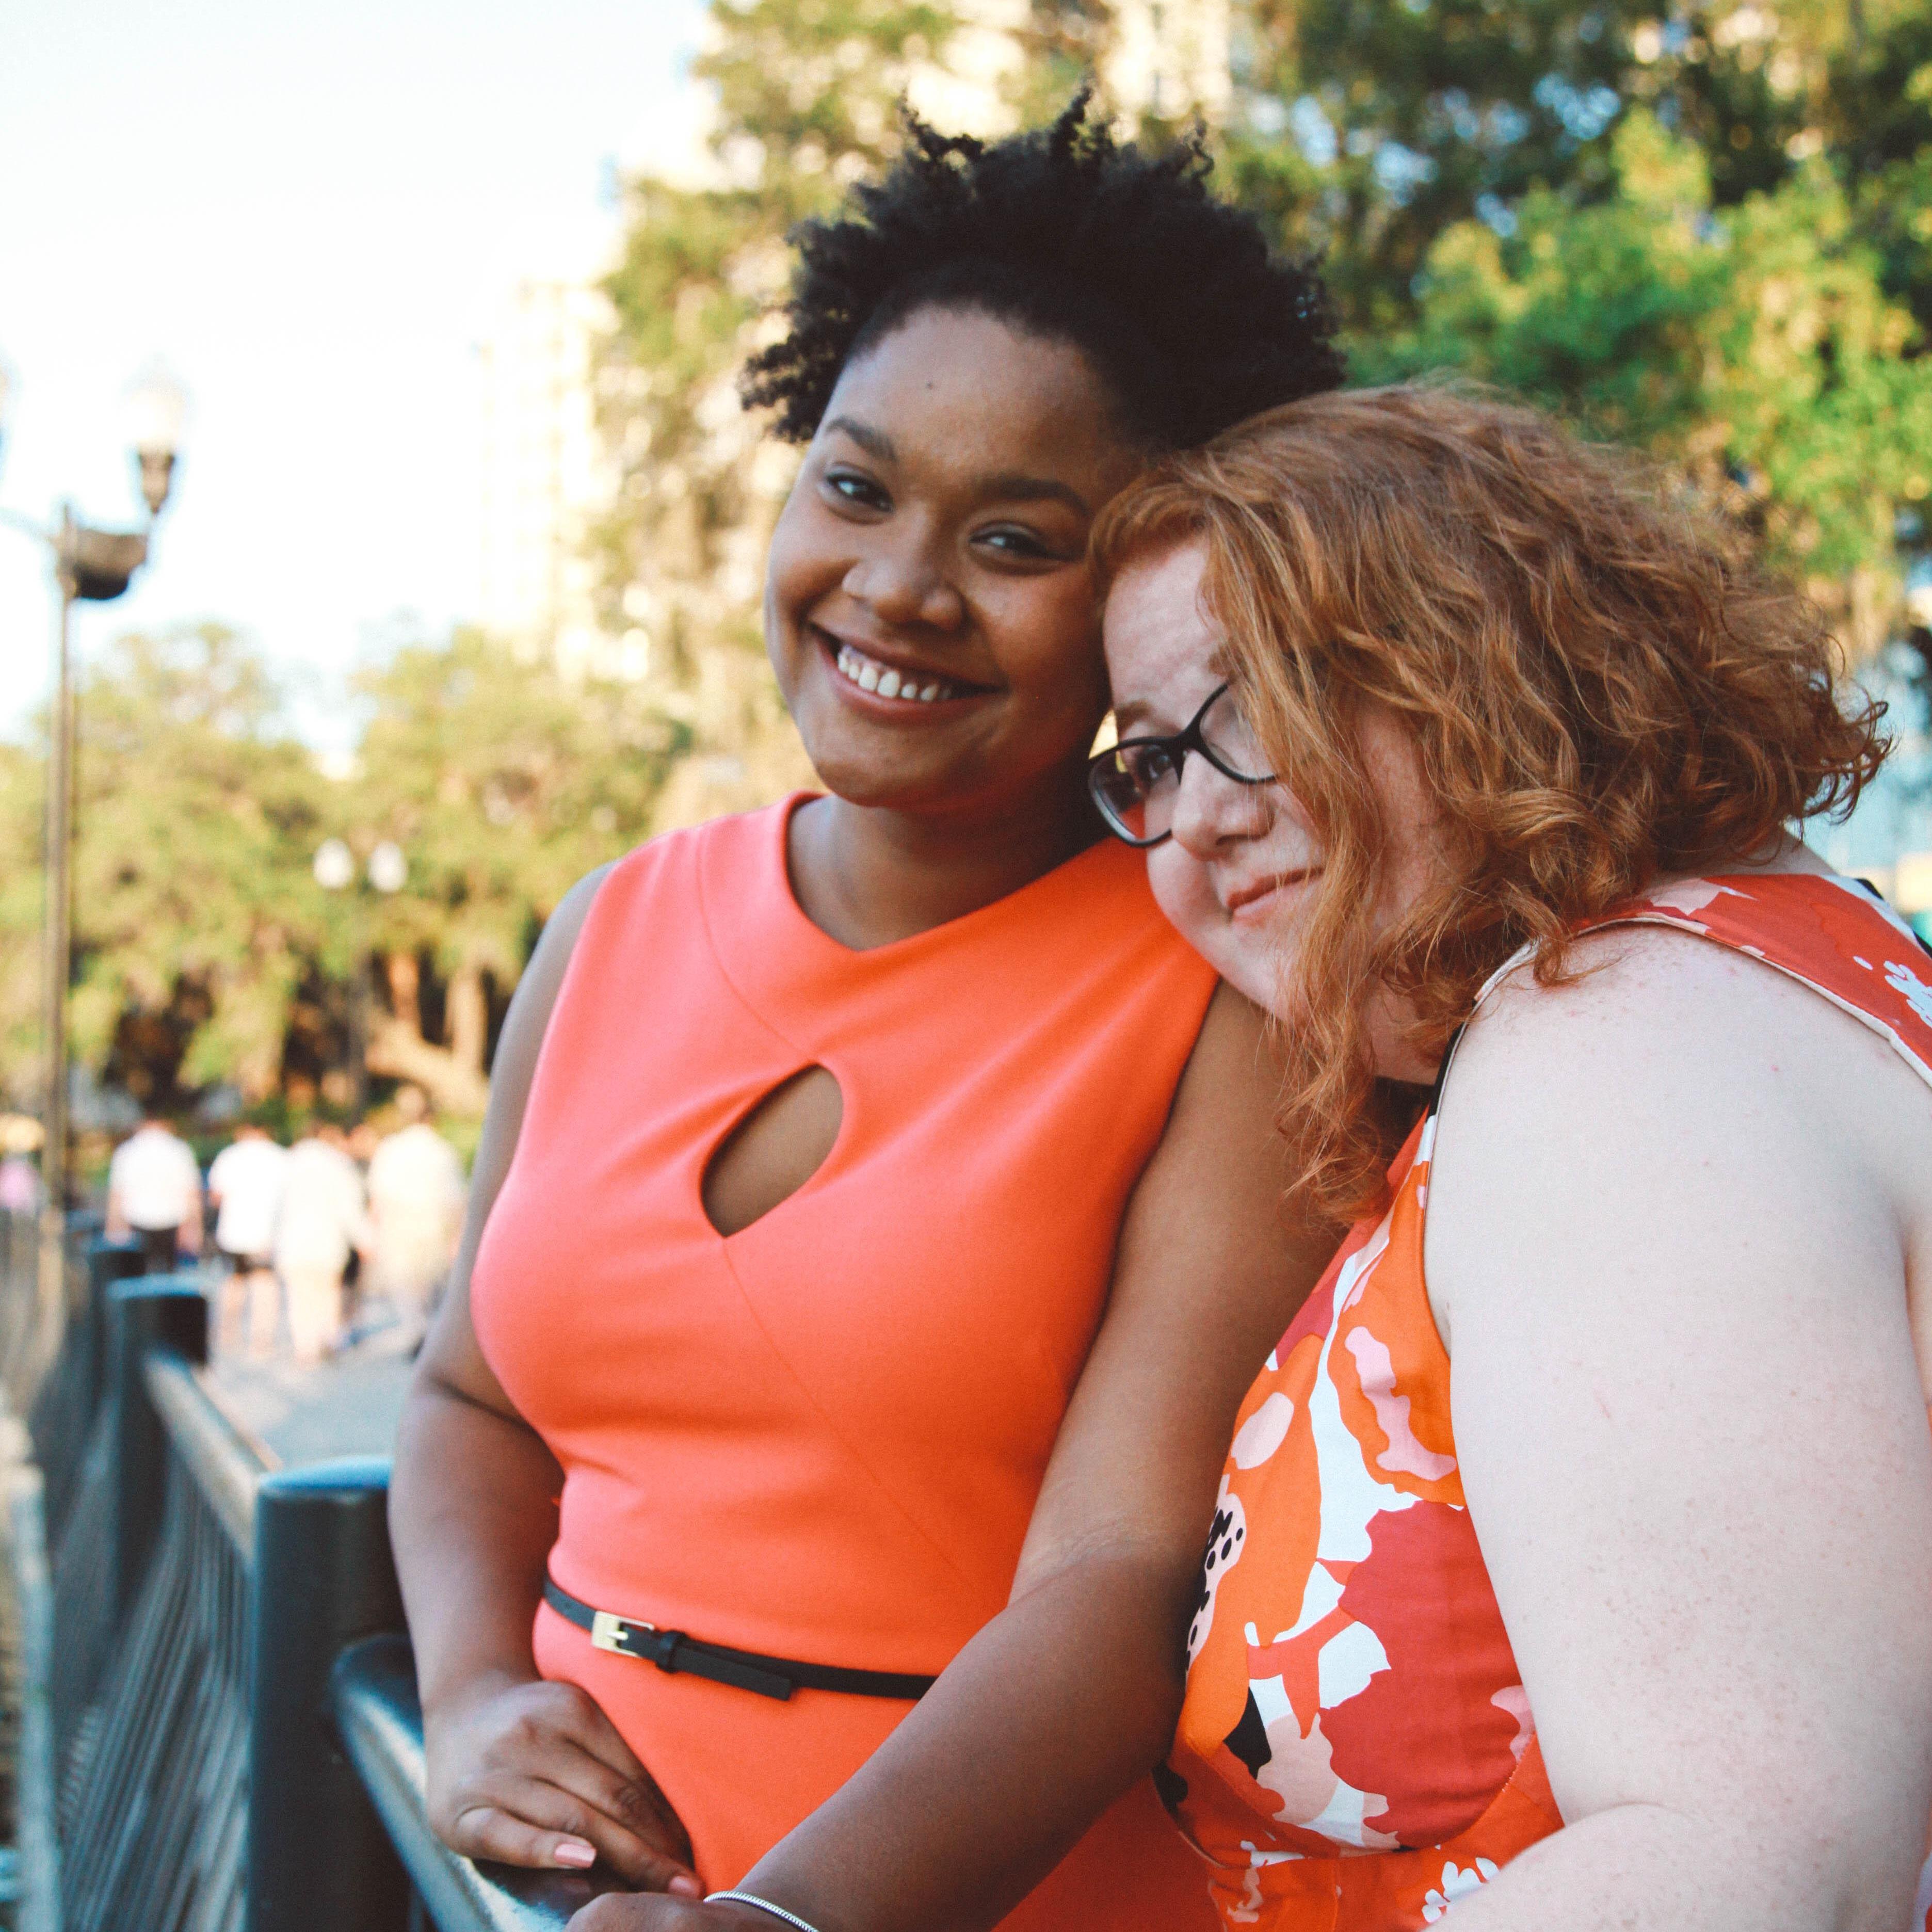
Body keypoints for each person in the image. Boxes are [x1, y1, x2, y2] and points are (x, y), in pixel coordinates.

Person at [586, 387, 1932, 1932]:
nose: (1200, 823)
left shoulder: (1619, 1054)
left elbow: (1748, 1866)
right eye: (1150, 763)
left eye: (1254, 709)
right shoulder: (1745, 977)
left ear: (1477, 655)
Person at [390, 98, 1348, 1931]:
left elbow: (1119, 1578)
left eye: (1014, 536)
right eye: (853, 483)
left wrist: (786, 1919)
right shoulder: (606, 925)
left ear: (1145, 594)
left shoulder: (1224, 978)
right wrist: (467, 1702)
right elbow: (460, 1397)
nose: (897, 585)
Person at [364, 1088, 465, 1343]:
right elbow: (456, 1199)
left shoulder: (390, 1148)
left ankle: (416, 1329)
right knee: (431, 1282)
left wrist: (372, 1233)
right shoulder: (443, 1151)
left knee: (404, 1282)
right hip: (434, 1224)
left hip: (399, 1224)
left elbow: (378, 1196)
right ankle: (426, 1329)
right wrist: (457, 1236)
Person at [272, 1122, 368, 1365]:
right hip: (328, 1240)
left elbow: (273, 1206)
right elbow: (350, 1209)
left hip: (293, 1240)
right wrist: (365, 1241)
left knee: (299, 1296)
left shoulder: (287, 1163)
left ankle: (305, 1346)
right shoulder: (338, 1165)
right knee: (328, 1293)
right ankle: (328, 1338)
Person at [207, 1120, 289, 1357]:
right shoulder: (281, 1157)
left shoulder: (229, 1157)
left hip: (234, 1232)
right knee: (265, 1284)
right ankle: (262, 1339)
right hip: (268, 1233)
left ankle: (227, 1333)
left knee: (234, 1281)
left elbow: (216, 1197)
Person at [105, 1112, 203, 1274]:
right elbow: (191, 1193)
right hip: (172, 1220)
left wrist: (114, 1229)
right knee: (171, 1277)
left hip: (137, 1219)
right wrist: (194, 1227)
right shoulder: (179, 1150)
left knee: (137, 1275)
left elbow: (118, 1195)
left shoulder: (127, 1151)